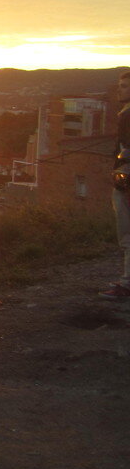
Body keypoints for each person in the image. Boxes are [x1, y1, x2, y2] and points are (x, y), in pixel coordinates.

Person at [100, 70, 130, 299]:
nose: (120, 89)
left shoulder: (127, 114)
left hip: (126, 182)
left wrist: (122, 178)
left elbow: (126, 152)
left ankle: (127, 284)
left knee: (127, 232)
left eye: (125, 86)